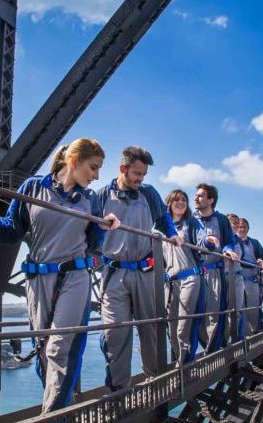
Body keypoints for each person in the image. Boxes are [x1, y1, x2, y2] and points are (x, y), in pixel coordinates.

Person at [0, 139, 120, 414]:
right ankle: (59, 412)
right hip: (38, 280)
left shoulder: (90, 201)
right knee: (44, 352)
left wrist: (105, 225)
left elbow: (94, 244)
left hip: (75, 278)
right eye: (94, 167)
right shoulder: (32, 188)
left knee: (59, 348)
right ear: (75, 160)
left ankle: (50, 419)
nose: (97, 176)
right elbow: (11, 230)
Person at [98, 146, 182, 391]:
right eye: (137, 173)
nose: (140, 179)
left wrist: (173, 234)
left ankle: (155, 380)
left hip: (145, 272)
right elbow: (91, 231)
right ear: (123, 168)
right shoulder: (102, 196)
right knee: (115, 332)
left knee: (151, 328)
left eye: (143, 174)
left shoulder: (148, 193)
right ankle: (119, 389)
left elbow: (163, 218)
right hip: (113, 273)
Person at [163, 189, 209, 363]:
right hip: (170, 282)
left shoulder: (191, 223)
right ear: (169, 203)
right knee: (172, 326)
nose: (181, 202)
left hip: (190, 278)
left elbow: (201, 238)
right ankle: (180, 363)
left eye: (184, 199)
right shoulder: (161, 227)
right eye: (176, 199)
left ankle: (184, 367)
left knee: (184, 326)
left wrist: (208, 241)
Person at [193, 183, 237, 353]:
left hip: (214, 272)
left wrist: (227, 250)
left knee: (214, 313)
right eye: (196, 195)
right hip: (194, 273)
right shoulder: (191, 219)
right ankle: (199, 351)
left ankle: (213, 352)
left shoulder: (221, 220)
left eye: (200, 196)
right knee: (193, 315)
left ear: (210, 200)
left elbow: (229, 241)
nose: (196, 198)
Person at [236, 218, 263, 332]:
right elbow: (239, 259)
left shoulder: (254, 242)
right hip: (237, 280)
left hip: (252, 281)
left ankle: (256, 331)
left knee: (254, 309)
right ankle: (244, 337)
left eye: (244, 227)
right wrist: (255, 263)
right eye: (240, 226)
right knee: (240, 309)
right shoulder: (233, 242)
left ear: (248, 229)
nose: (242, 229)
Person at [226, 213, 246, 341]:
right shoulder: (222, 236)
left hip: (237, 277)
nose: (237, 225)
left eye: (238, 223)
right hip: (223, 276)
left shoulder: (239, 240)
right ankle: (223, 340)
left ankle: (236, 339)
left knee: (236, 310)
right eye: (234, 222)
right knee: (222, 311)